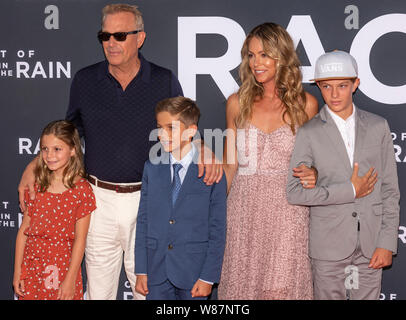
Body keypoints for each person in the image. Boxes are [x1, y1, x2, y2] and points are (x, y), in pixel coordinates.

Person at [17, 4, 222, 300]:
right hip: (97, 199)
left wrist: (204, 148)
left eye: (120, 35)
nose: (111, 43)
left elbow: (182, 126)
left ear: (140, 38)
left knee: (146, 291)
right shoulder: (85, 80)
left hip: (148, 201)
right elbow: (69, 133)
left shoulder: (163, 79)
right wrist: (32, 166)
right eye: (105, 35)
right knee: (98, 292)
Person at [287, 50, 400, 300]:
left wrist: (386, 241)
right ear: (318, 86)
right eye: (326, 86)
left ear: (355, 84)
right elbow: (294, 192)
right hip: (328, 246)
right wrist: (349, 190)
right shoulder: (309, 132)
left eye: (342, 86)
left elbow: (390, 189)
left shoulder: (377, 126)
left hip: (371, 244)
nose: (334, 94)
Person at [218, 22, 318, 300]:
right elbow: (229, 164)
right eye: (251, 55)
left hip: (288, 213)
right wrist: (213, 215)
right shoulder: (236, 103)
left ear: (281, 55)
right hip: (243, 210)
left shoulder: (306, 104)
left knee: (281, 290)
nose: (255, 63)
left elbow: (318, 162)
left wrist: (315, 174)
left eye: (264, 54)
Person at [134, 97, 227, 300]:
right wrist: (141, 270)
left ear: (191, 131)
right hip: (156, 272)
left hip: (194, 273)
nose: (162, 134)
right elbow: (143, 221)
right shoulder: (151, 168)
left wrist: (208, 277)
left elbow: (217, 228)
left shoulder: (211, 172)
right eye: (159, 128)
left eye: (171, 128)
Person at [13, 120, 96, 300]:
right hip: (32, 267)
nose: (50, 155)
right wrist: (18, 271)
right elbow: (23, 233)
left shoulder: (82, 191)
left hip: (63, 268)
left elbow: (80, 241)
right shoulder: (36, 186)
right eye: (45, 149)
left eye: (57, 149)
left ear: (73, 150)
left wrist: (70, 278)